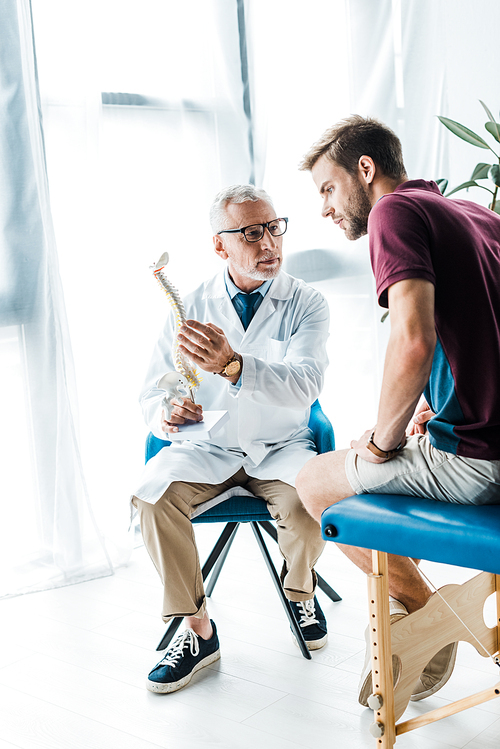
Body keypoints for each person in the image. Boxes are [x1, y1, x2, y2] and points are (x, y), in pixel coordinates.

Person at [296, 115, 500, 706]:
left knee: (315, 482)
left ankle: (425, 611)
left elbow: (414, 339)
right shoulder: (474, 213)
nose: (326, 209)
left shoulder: (392, 212)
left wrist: (382, 445)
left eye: (328, 190)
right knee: (368, 455)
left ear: (366, 169)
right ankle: (414, 615)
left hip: (482, 463)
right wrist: (437, 408)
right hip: (486, 438)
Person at [132, 184, 331, 694]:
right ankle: (198, 631)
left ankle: (300, 591)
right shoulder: (191, 305)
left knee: (309, 513)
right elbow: (155, 388)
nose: (268, 243)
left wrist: (234, 366)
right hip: (208, 445)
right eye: (249, 233)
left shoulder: (306, 303)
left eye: (273, 227)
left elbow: (307, 384)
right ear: (220, 246)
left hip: (280, 447)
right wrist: (169, 414)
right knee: (152, 499)